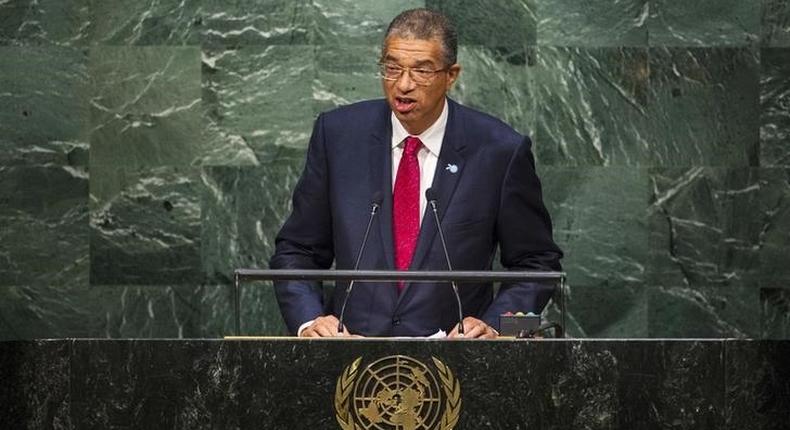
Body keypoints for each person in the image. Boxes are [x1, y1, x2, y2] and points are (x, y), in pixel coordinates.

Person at [269, 8, 562, 339]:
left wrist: (498, 326)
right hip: (351, 362)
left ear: (451, 75)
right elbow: (297, 249)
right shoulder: (337, 136)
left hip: (460, 366)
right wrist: (310, 322)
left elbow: (539, 266)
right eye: (392, 68)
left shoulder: (499, 151)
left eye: (422, 71)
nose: (403, 85)